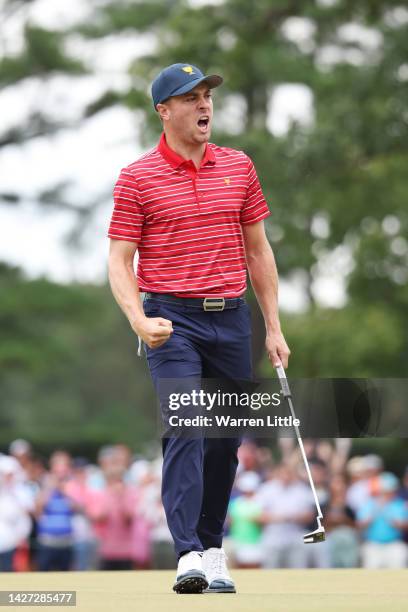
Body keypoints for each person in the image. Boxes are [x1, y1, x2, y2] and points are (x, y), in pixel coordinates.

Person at [107, 62, 290, 593]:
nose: (204, 104)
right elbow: (120, 261)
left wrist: (273, 328)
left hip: (233, 319)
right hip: (170, 319)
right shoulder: (137, 177)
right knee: (186, 425)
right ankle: (187, 551)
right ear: (164, 111)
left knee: (224, 441)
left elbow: (258, 251)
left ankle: (211, 546)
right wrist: (139, 320)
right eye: (190, 98)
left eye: (207, 94)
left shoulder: (239, 166)